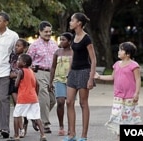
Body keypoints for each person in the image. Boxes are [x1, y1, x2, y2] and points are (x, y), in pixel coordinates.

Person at [94, 41, 142, 141]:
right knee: (118, 117)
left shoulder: (134, 65)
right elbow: (112, 77)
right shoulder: (116, 64)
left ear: (128, 54)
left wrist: (136, 93)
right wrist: (99, 77)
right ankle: (119, 136)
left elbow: (138, 79)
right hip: (118, 97)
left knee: (129, 119)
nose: (118, 51)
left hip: (130, 98)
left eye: (121, 50)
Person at [64, 12, 97, 141]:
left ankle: (84, 136)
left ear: (79, 23)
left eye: (72, 20)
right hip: (73, 72)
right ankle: (71, 134)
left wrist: (91, 77)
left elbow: (93, 59)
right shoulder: (73, 36)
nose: (70, 22)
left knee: (83, 103)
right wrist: (69, 72)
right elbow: (73, 56)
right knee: (69, 101)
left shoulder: (87, 38)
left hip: (84, 71)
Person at [27, 21, 58, 133]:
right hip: (39, 72)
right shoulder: (34, 45)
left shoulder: (54, 44)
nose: (48, 34)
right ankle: (44, 124)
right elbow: (27, 60)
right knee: (44, 96)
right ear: (40, 32)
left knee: (53, 99)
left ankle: (36, 118)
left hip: (52, 73)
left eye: (50, 31)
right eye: (46, 32)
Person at [11, 54, 47, 141]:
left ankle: (16, 135)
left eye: (19, 60)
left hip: (23, 98)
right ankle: (43, 135)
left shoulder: (20, 71)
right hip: (33, 98)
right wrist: (36, 94)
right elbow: (37, 84)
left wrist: (16, 80)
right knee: (37, 117)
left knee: (16, 115)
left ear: (24, 63)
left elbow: (16, 85)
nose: (17, 62)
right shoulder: (31, 71)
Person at [49, 32, 73, 136]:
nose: (61, 42)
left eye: (64, 40)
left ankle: (70, 127)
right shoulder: (57, 52)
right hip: (59, 80)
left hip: (71, 80)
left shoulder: (74, 52)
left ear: (69, 41)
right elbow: (53, 67)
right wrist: (50, 81)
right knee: (60, 101)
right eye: (60, 40)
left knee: (69, 104)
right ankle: (61, 126)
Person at [8, 38, 29, 138]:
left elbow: (27, 70)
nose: (16, 47)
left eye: (19, 46)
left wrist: (15, 74)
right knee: (17, 105)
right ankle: (21, 129)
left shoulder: (26, 58)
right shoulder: (12, 55)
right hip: (13, 83)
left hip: (22, 84)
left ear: (24, 48)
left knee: (21, 106)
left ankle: (25, 122)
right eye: (16, 45)